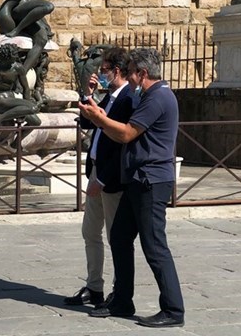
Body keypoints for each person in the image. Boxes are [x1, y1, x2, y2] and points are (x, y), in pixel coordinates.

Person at [79, 48, 185, 328]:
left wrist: (99, 119)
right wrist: (99, 116)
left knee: (154, 245)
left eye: (133, 73)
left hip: (151, 181)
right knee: (120, 237)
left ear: (143, 73)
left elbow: (126, 134)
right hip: (137, 179)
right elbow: (121, 134)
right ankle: (123, 300)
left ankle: (174, 310)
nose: (130, 78)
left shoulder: (157, 97)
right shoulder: (150, 95)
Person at [64, 48, 138, 307]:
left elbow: (123, 145)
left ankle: (119, 292)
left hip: (111, 178)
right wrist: (89, 94)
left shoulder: (128, 99)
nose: (100, 74)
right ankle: (94, 286)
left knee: (115, 237)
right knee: (90, 232)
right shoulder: (109, 98)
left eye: (104, 70)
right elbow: (88, 123)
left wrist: (103, 179)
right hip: (96, 172)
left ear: (117, 71)